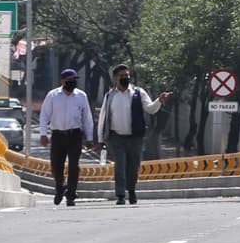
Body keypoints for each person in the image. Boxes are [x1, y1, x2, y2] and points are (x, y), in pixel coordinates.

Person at [96, 64, 172, 205]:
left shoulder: (138, 92)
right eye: (122, 76)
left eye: (126, 75)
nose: (125, 78)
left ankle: (131, 190)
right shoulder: (110, 95)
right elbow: (103, 117)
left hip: (135, 137)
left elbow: (150, 109)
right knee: (120, 165)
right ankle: (120, 195)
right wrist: (100, 139)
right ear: (115, 78)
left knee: (133, 166)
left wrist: (159, 101)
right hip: (116, 137)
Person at [39, 68, 95, 206]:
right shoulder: (53, 96)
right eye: (69, 80)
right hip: (57, 135)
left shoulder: (81, 96)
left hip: (75, 135)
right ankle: (59, 187)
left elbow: (87, 118)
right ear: (63, 81)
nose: (72, 83)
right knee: (56, 165)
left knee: (74, 166)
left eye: (74, 80)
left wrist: (89, 137)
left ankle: (71, 194)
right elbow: (44, 115)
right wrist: (43, 134)